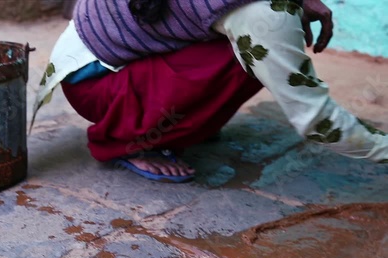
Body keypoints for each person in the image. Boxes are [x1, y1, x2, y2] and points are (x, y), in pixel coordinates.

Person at [31, 0, 388, 183]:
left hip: (90, 63)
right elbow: (315, 120)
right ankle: (130, 139)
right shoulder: (264, 14)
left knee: (256, 54)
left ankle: (178, 119)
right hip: (99, 88)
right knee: (250, 59)